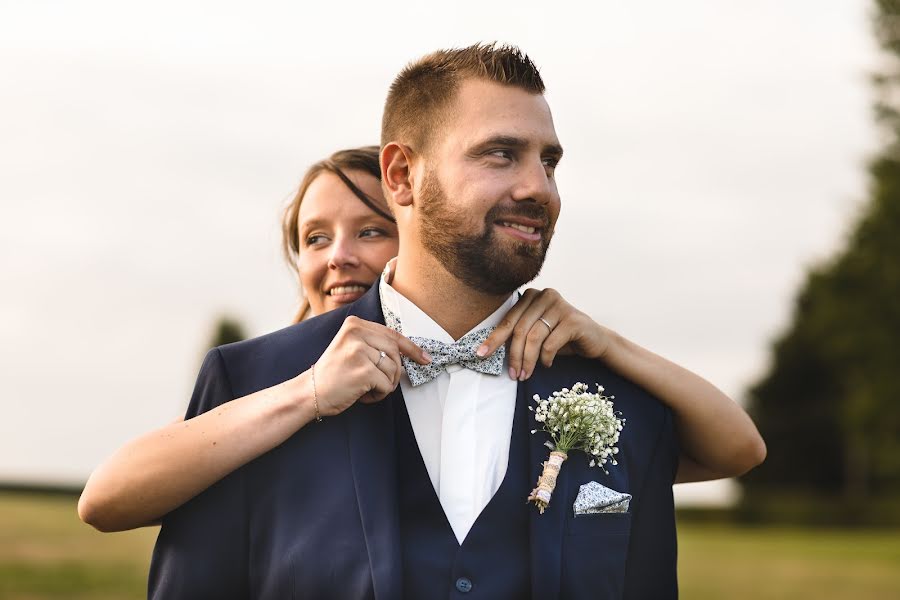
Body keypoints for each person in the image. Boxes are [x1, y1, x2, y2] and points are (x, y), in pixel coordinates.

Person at [146, 44, 764, 598]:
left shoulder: (620, 400)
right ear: (402, 176)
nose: (539, 188)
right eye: (500, 154)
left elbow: (733, 457)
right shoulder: (255, 382)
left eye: (548, 162)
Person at [78, 144, 762, 535]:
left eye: (370, 230)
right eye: (315, 238)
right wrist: (304, 393)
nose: (338, 256)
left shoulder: (520, 375)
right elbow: (106, 500)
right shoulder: (258, 385)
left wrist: (606, 343)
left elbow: (736, 447)